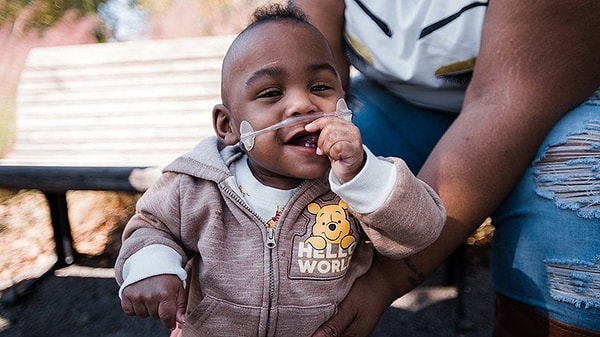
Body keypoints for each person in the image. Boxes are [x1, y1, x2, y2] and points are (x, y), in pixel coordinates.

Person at [114, 4, 446, 337]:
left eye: (320, 88)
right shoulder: (195, 186)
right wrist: (152, 264)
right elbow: (150, 227)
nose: (303, 104)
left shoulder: (356, 182)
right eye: (272, 92)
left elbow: (419, 232)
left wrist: (363, 176)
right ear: (228, 126)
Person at [291, 0, 600, 336]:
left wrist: (384, 281)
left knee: (576, 192)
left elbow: (506, 100)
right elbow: (310, 66)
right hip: (400, 100)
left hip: (547, 99)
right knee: (294, 181)